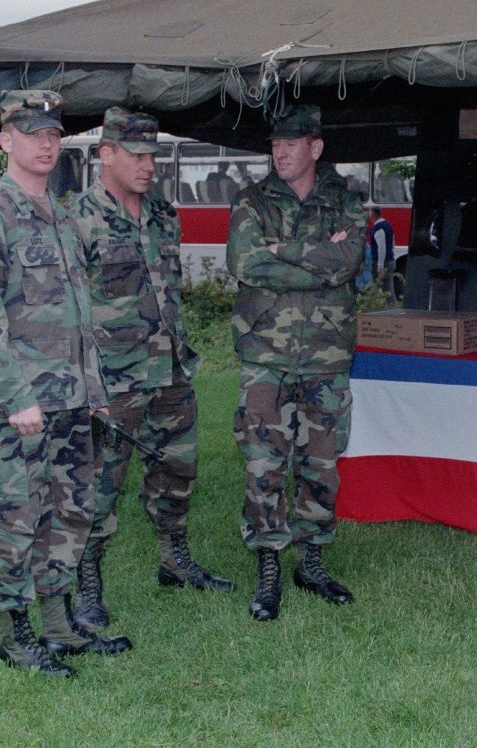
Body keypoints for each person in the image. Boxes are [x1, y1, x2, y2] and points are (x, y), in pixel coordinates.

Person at [0, 89, 131, 677]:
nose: (47, 143)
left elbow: (79, 318)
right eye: (33, 133)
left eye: (54, 133)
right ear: (6, 140)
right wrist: (17, 397)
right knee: (16, 517)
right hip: (16, 409)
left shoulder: (62, 214)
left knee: (68, 513)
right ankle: (15, 634)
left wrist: (96, 392)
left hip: (71, 401)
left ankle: (58, 626)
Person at [68, 107, 235, 637]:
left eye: (153, 156)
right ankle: (88, 588)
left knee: (179, 470)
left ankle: (174, 560)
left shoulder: (163, 213)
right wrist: (84, 382)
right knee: (101, 485)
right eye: (136, 155)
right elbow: (69, 309)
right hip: (113, 380)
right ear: (106, 154)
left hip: (170, 369)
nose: (148, 165)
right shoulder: (77, 219)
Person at [226, 104, 367, 621]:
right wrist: (317, 257)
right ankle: (268, 568)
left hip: (327, 358)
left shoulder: (347, 200)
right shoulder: (251, 200)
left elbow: (349, 260)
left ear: (316, 147)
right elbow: (246, 263)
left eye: (290, 143)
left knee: (321, 467)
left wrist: (281, 250)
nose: (279, 152)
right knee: (263, 464)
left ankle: (311, 562)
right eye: (274, 144)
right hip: (265, 356)